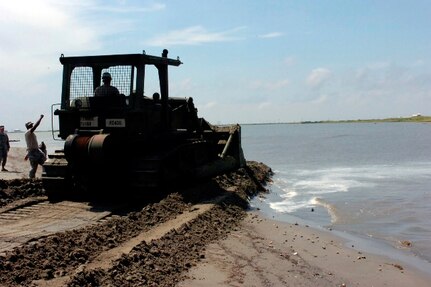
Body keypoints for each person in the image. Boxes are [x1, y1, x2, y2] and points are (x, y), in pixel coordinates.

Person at [24, 115, 47, 179]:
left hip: (36, 151)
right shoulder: (28, 132)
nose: (32, 126)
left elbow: (32, 144)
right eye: (30, 125)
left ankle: (45, 177)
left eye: (32, 125)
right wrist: (40, 118)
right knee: (33, 168)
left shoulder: (32, 134)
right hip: (33, 153)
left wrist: (39, 146)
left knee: (45, 164)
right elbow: (36, 126)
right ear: (28, 126)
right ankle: (31, 180)